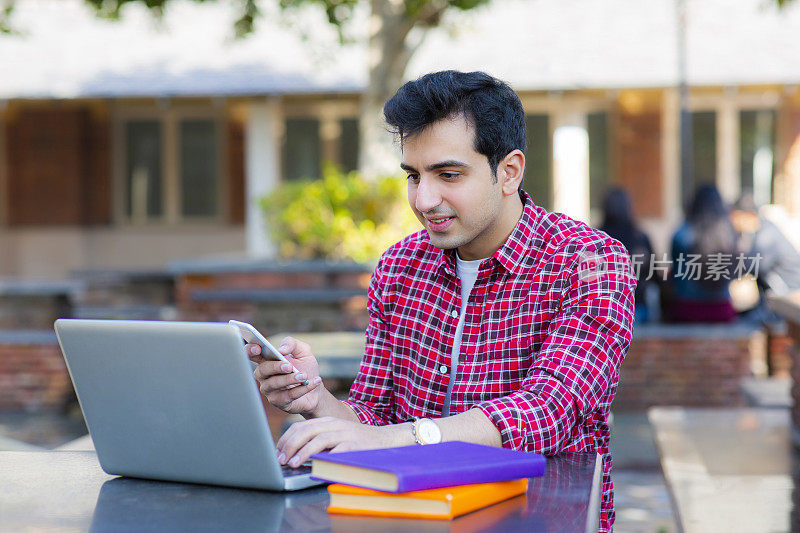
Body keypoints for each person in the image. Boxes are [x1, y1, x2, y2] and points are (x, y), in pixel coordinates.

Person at [248, 71, 635, 533]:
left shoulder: (591, 261)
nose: (424, 199)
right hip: (407, 519)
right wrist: (318, 401)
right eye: (414, 176)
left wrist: (401, 438)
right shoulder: (400, 266)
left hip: (540, 518)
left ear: (509, 171)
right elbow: (374, 417)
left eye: (448, 174)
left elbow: (547, 410)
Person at [666, 184, 737, 322]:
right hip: (722, 309)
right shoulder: (729, 234)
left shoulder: (681, 234)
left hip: (686, 309)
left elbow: (674, 274)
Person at [730, 190, 800, 322]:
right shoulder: (760, 232)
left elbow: (749, 267)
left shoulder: (767, 236)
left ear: (750, 215)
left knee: (742, 323)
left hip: (788, 300)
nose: (734, 224)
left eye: (736, 217)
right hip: (777, 299)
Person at [599, 187, 655, 323]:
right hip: (637, 309)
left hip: (604, 311)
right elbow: (654, 276)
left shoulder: (596, 239)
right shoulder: (640, 238)